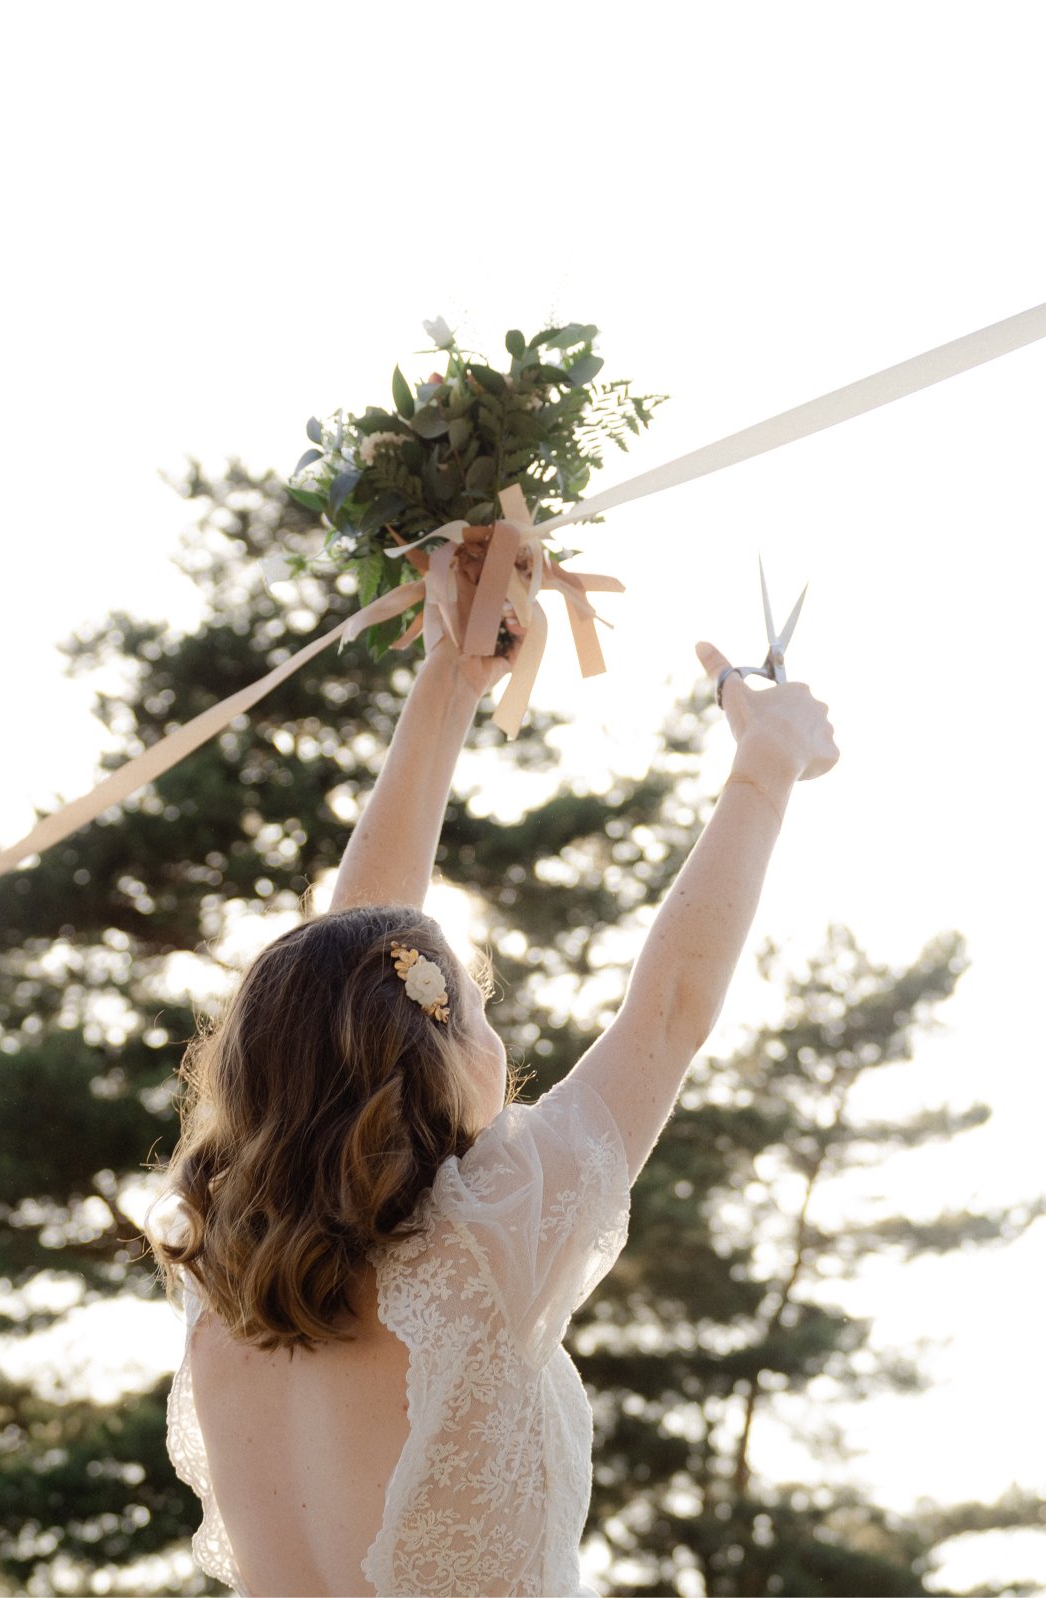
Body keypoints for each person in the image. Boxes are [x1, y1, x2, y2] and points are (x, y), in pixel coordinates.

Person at [148, 616, 838, 1598]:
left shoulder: (219, 1284)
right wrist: (766, 764)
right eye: (479, 1009)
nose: (499, 1042)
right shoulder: (480, 1245)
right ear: (429, 1056)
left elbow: (343, 959)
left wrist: (450, 678)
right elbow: (671, 1007)